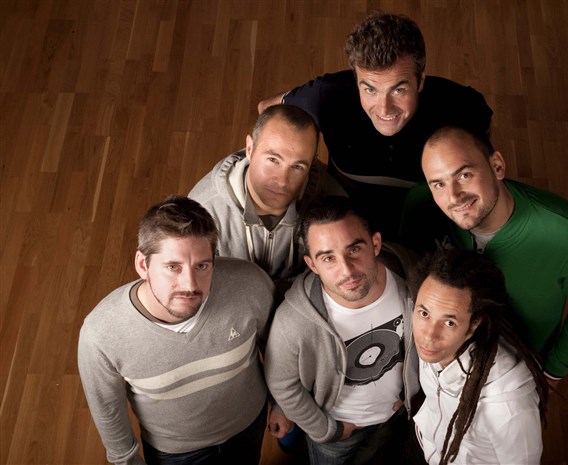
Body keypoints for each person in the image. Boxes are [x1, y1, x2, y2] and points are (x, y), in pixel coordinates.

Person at [400, 126, 568, 385]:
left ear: (497, 166)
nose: (453, 196)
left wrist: (553, 371)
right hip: (439, 358)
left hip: (518, 367)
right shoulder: (420, 205)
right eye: (439, 184)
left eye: (464, 175)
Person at [257, 12, 493, 240]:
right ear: (355, 80)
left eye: (398, 90)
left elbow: (483, 157)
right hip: (346, 214)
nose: (384, 109)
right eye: (370, 89)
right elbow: (266, 109)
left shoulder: (461, 106)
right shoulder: (327, 96)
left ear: (420, 81)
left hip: (428, 216)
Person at [77, 196, 274, 465]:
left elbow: (277, 349)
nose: (190, 284)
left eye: (201, 266)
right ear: (143, 265)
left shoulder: (250, 285)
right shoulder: (101, 334)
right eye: (173, 267)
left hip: (248, 427)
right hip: (175, 452)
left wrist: (282, 405)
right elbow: (107, 409)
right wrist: (127, 461)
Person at [263, 196, 420, 465]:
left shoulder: (411, 278)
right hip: (338, 433)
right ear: (312, 265)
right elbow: (282, 384)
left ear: (375, 244)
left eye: (354, 250)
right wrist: (327, 430)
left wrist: (414, 393)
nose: (346, 270)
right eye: (328, 258)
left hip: (396, 417)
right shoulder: (293, 320)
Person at [188, 104, 344, 303]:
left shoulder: (332, 200)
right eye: (273, 160)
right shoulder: (202, 209)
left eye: (297, 166)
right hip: (231, 300)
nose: (282, 180)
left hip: (300, 302)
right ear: (250, 149)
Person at [409, 247, 549, 465]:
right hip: (429, 446)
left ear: (474, 324)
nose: (428, 335)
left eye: (449, 323)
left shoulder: (509, 409)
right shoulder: (434, 349)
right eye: (424, 313)